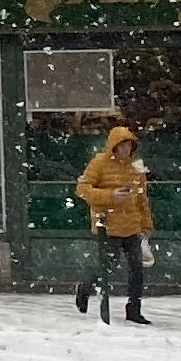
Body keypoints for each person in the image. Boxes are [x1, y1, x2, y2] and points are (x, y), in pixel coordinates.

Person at [73, 121, 152, 322]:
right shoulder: (99, 163)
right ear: (114, 146)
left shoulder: (136, 167)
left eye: (129, 145)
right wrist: (110, 196)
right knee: (107, 266)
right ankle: (85, 289)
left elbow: (142, 199)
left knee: (137, 270)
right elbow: (83, 189)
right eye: (122, 145)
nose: (126, 149)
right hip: (108, 225)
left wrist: (146, 225)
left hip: (132, 226)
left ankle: (134, 310)